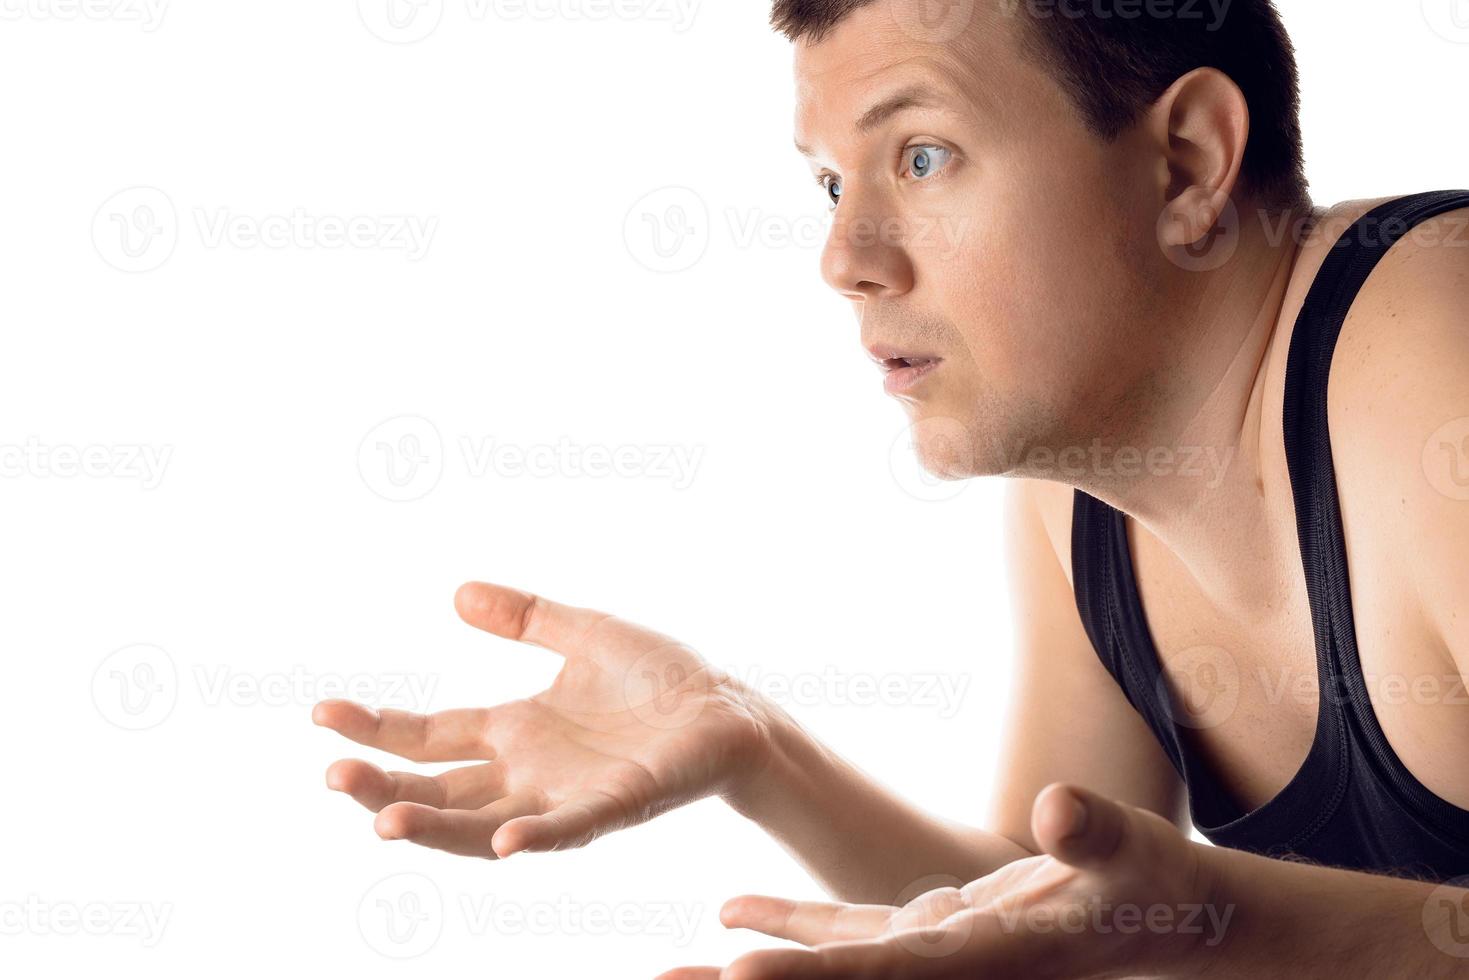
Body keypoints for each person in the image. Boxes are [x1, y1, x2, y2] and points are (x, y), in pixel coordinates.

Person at [314, 1, 1469, 974]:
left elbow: (1158, 926)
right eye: (829, 183)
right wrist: (756, 750)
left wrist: (1222, 918)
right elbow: (1042, 920)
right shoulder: (1085, 487)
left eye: (920, 156)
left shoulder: (1435, 348)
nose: (843, 257)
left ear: (1186, 162)